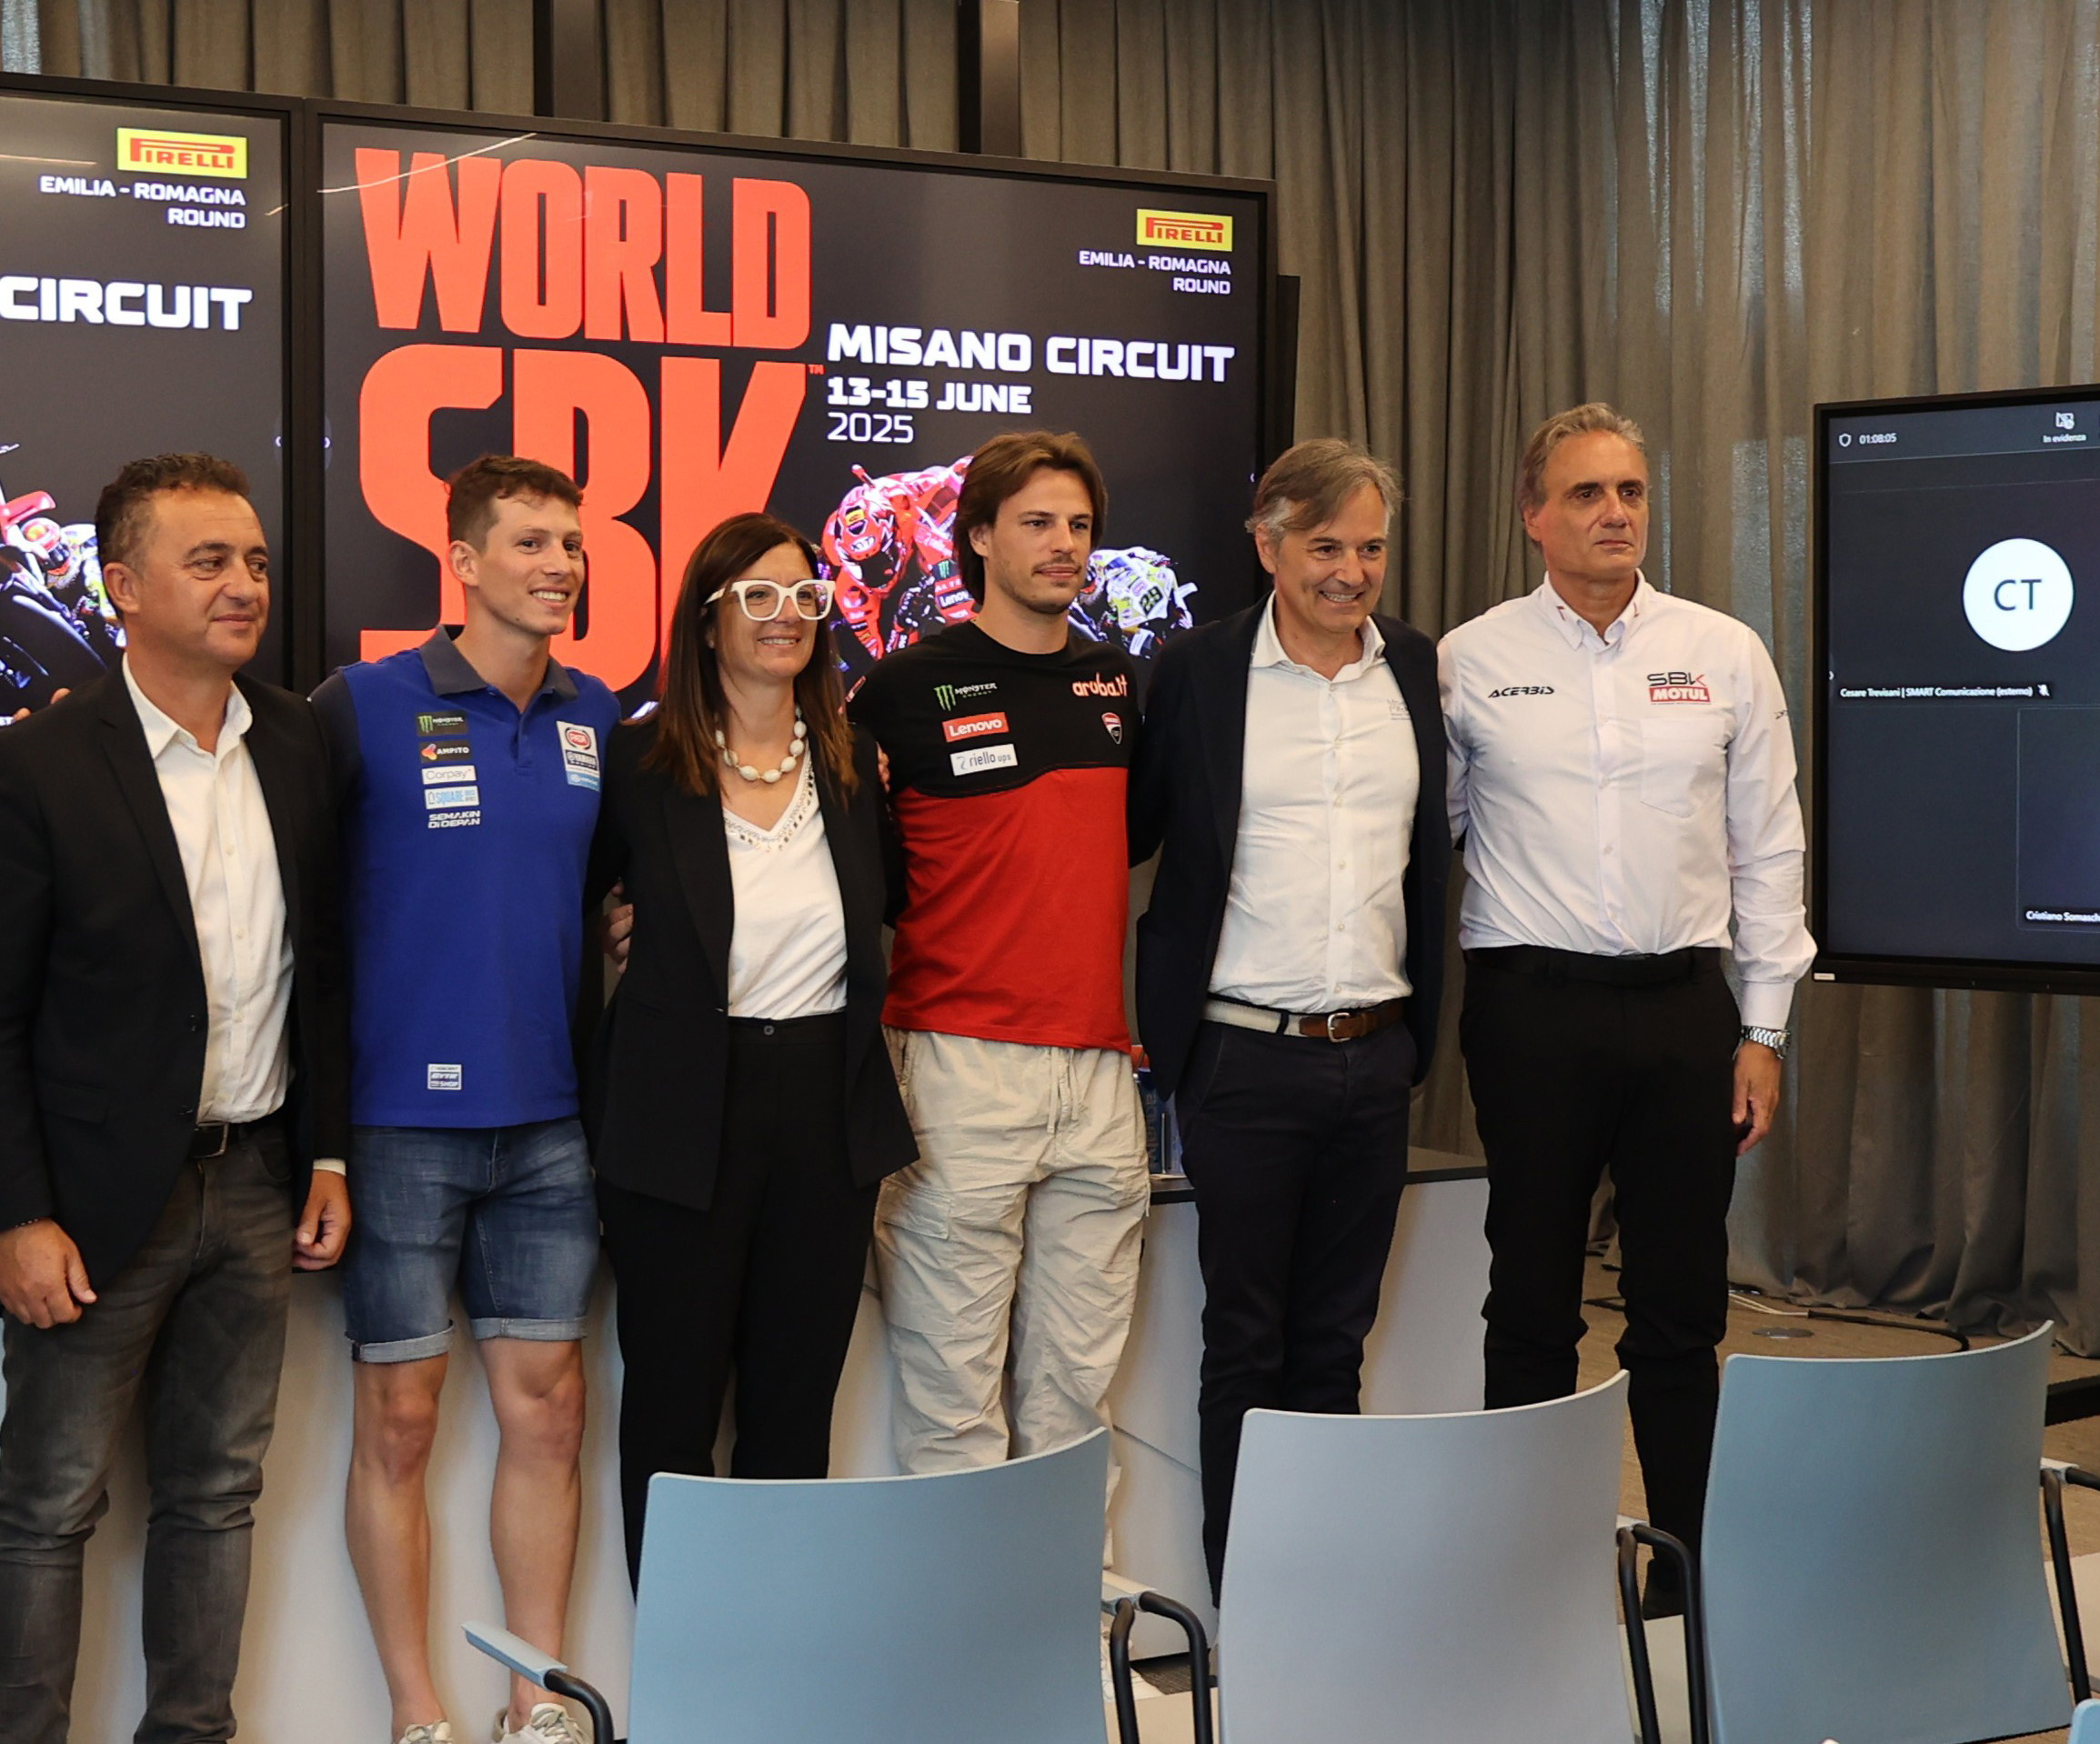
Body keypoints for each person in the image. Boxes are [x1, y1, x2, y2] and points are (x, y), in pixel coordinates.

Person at [0, 453, 354, 1744]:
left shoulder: (298, 740)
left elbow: (323, 965)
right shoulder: (38, 763)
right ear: (123, 585)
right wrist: (17, 1212)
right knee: (49, 1503)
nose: (245, 586)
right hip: (88, 1204)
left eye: (255, 561)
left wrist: (328, 1154)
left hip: (258, 1182)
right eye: (209, 561)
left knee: (217, 1493)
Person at [1440, 403, 1814, 1609]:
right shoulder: (1468, 660)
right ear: (1534, 515)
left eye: (1632, 491)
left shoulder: (1724, 651)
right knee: (1530, 1302)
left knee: (1680, 1308)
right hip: (1530, 1011)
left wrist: (1764, 1028)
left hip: (1683, 1015)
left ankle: (1685, 1575)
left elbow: (1770, 847)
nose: (1615, 513)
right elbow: (1431, 832)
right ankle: (1531, 1577)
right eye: (1587, 493)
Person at [314, 456, 618, 1744]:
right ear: (465, 560)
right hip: (396, 1124)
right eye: (531, 541)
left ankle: (535, 1702)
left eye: (572, 543)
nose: (560, 564)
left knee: (550, 1410)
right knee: (400, 1418)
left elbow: (611, 889)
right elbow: (300, 911)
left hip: (553, 1122)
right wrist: (320, 1143)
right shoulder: (360, 704)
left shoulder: (599, 713)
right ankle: (416, 1713)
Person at [1130, 437, 1451, 1594]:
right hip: (1242, 1058)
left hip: (1375, 1057)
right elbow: (1131, 835)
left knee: (1335, 1346)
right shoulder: (1197, 672)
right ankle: (1246, 1606)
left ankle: (1325, 1602)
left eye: (1370, 548)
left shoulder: (1415, 668)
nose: (1350, 572)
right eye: (1325, 547)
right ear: (1267, 546)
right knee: (1245, 1345)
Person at [584, 513, 913, 1580]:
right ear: (707, 618)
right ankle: (684, 1663)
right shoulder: (639, 763)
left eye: (806, 596)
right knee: (672, 1414)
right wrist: (620, 927)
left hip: (824, 1112)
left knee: (792, 1411)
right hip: (680, 1114)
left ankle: (777, 1659)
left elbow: (891, 903)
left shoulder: (853, 763)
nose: (788, 616)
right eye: (759, 596)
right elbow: (578, 907)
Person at [848, 428, 1148, 1474]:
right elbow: (858, 875)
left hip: (1099, 1074)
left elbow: (1128, 842)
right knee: (953, 1409)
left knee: (1076, 1402)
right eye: (1037, 523)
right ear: (977, 537)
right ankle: (963, 1594)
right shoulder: (901, 688)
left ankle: (1070, 1584)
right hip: (958, 1070)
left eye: (1079, 525)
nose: (1064, 544)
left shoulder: (1117, 681)